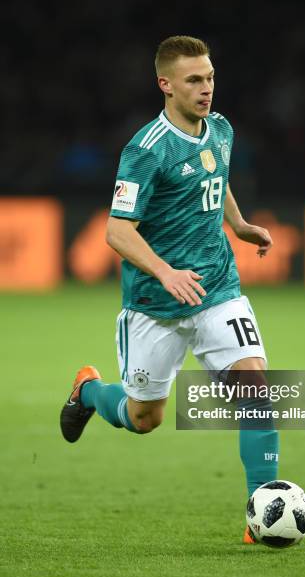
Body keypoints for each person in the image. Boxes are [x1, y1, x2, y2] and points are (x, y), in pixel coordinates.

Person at [60, 35, 278, 544]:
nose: (207, 89)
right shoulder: (145, 150)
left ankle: (260, 513)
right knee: (144, 418)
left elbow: (215, 179)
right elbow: (117, 230)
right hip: (155, 305)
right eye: (194, 81)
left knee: (255, 390)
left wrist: (240, 225)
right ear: (166, 85)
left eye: (210, 78)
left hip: (218, 288)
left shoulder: (220, 129)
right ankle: (89, 392)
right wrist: (164, 271)